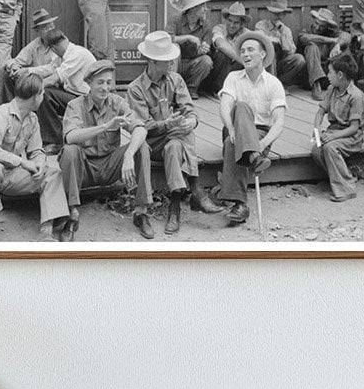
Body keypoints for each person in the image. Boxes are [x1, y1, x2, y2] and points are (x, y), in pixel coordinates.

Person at [127, 31, 223, 234]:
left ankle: (175, 207)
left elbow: (189, 109)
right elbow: (142, 126)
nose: (172, 63)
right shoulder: (135, 89)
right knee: (176, 134)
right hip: (150, 143)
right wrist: (165, 123)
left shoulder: (175, 80)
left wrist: (191, 121)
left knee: (175, 143)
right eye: (166, 60)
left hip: (172, 141)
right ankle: (196, 190)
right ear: (152, 62)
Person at [0, 73, 69, 243]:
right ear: (34, 96)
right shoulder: (0, 114)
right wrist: (22, 161)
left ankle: (46, 232)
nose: (43, 97)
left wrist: (40, 164)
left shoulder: (32, 118)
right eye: (42, 93)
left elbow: (37, 151)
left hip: (10, 175)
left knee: (52, 173)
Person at [59, 60, 155, 241]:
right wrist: (105, 126)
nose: (105, 87)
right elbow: (70, 137)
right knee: (70, 151)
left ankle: (141, 212)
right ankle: (70, 214)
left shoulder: (118, 103)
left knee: (141, 146)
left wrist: (128, 155)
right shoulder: (75, 105)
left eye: (109, 82)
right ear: (88, 83)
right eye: (100, 82)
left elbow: (141, 128)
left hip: (110, 165)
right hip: (84, 168)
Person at [218, 30, 287, 227]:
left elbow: (279, 121)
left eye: (251, 50)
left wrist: (264, 143)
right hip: (233, 128)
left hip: (261, 134)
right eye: (243, 51)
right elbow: (224, 106)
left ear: (263, 54)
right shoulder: (233, 77)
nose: (246, 54)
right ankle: (254, 159)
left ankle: (239, 205)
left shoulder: (274, 84)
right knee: (240, 106)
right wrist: (231, 128)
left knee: (231, 146)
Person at [311, 53, 364, 202]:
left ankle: (346, 189)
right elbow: (320, 112)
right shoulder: (331, 89)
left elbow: (354, 128)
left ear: (340, 75)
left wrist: (333, 137)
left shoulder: (356, 96)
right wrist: (316, 129)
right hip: (334, 131)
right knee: (316, 150)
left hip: (351, 136)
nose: (327, 75)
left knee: (329, 147)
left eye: (330, 72)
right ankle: (345, 175)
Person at [0, 8, 59, 110]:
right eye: (45, 27)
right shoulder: (36, 44)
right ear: (38, 30)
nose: (49, 30)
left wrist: (26, 71)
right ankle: (3, 110)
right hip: (35, 81)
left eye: (51, 26)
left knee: (33, 84)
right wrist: (14, 67)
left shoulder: (59, 42)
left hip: (52, 84)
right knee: (4, 73)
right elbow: (16, 60)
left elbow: (52, 68)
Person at [39, 30, 97, 148]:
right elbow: (48, 69)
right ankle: (54, 136)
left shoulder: (76, 54)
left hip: (88, 100)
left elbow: (56, 77)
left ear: (54, 48)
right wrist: (26, 71)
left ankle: (54, 142)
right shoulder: (65, 55)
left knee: (45, 93)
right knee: (48, 91)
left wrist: (35, 87)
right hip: (75, 95)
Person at [298, 7, 352, 101]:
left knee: (343, 49)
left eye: (322, 26)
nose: (317, 27)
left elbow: (347, 36)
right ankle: (316, 86)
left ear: (327, 27)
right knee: (312, 47)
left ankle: (345, 83)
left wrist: (338, 45)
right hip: (308, 78)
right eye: (316, 23)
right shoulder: (305, 32)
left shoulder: (331, 33)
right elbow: (305, 38)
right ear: (314, 20)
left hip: (327, 77)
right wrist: (332, 41)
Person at [255, 0, 307, 87]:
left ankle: (282, 84)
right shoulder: (261, 25)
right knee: (272, 48)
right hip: (266, 62)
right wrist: (275, 40)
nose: (278, 16)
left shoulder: (286, 30)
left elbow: (290, 52)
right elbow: (261, 42)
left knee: (299, 59)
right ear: (270, 13)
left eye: (281, 14)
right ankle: (270, 86)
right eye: (275, 13)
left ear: (284, 15)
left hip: (281, 63)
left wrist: (282, 34)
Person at [171, 0, 213, 98]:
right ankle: (172, 88)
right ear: (193, 8)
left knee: (206, 60)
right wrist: (188, 37)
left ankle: (190, 89)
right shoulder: (176, 20)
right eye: (202, 6)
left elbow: (206, 46)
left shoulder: (206, 25)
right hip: (175, 64)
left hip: (193, 63)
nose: (205, 9)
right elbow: (166, 39)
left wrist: (203, 49)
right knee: (174, 47)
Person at [206, 1, 250, 93]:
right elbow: (221, 45)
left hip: (236, 71)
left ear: (242, 24)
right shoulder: (219, 28)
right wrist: (243, 60)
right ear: (225, 20)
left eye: (236, 22)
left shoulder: (246, 33)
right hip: (217, 73)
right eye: (230, 20)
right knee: (223, 54)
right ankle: (220, 88)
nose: (232, 25)